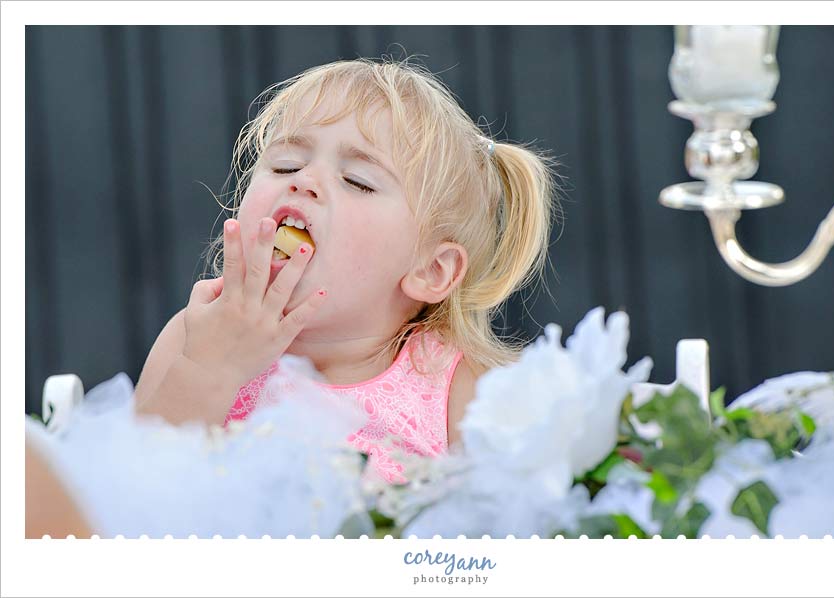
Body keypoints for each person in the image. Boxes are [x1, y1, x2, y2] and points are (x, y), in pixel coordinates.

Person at [132, 57, 558, 482]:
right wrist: (208, 368)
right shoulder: (196, 336)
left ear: (431, 270)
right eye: (285, 165)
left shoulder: (462, 391)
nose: (304, 181)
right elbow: (129, 501)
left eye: (357, 180)